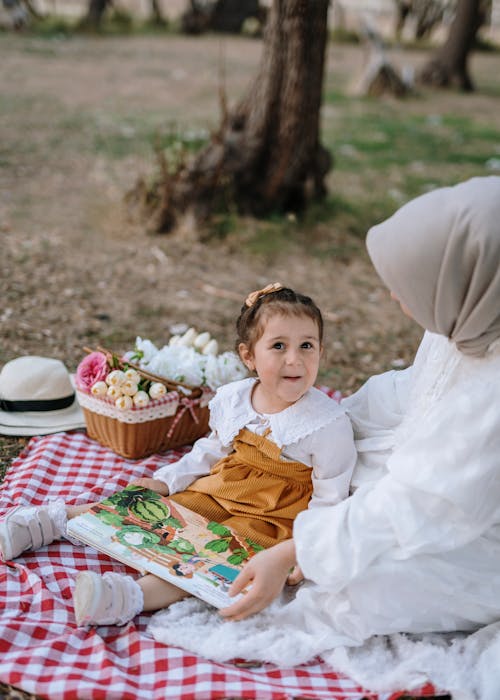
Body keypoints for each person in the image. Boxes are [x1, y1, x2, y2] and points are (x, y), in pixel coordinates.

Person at [144, 175, 500, 666]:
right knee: (329, 479)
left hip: (472, 529)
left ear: (464, 282)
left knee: (353, 583)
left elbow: (425, 502)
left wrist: (297, 552)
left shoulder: (494, 393)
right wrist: (307, 421)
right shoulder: (476, 317)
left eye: (413, 286)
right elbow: (407, 391)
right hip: (432, 479)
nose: (400, 300)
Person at [0, 284, 357, 627]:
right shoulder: (235, 398)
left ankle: (127, 597)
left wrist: (301, 550)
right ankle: (53, 521)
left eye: (307, 345)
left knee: (209, 556)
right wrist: (167, 480)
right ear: (248, 356)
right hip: (221, 488)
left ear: (320, 352)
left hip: (269, 517)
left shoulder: (327, 424)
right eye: (278, 345)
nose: (294, 359)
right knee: (154, 512)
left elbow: (330, 498)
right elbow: (210, 451)